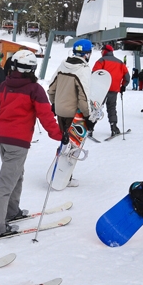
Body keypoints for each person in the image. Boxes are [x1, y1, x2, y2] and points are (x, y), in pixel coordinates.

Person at [0, 50, 65, 239]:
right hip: (17, 142)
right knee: (6, 182)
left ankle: (11, 211)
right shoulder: (34, 89)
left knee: (16, 175)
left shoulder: (3, 86)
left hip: (3, 139)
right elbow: (46, 116)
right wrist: (59, 135)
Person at [47, 38, 95, 187]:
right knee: (73, 146)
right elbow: (83, 96)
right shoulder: (83, 70)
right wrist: (88, 117)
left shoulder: (63, 65)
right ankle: (65, 177)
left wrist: (54, 103)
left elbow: (51, 88)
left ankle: (58, 172)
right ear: (87, 54)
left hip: (61, 111)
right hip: (74, 114)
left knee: (64, 142)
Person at [92, 44, 130, 136]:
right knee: (112, 108)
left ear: (105, 51)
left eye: (102, 50)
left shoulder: (102, 61)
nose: (101, 52)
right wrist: (123, 86)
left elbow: (94, 73)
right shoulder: (120, 63)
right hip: (114, 90)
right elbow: (127, 77)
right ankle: (114, 127)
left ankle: (90, 127)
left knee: (96, 108)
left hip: (102, 89)